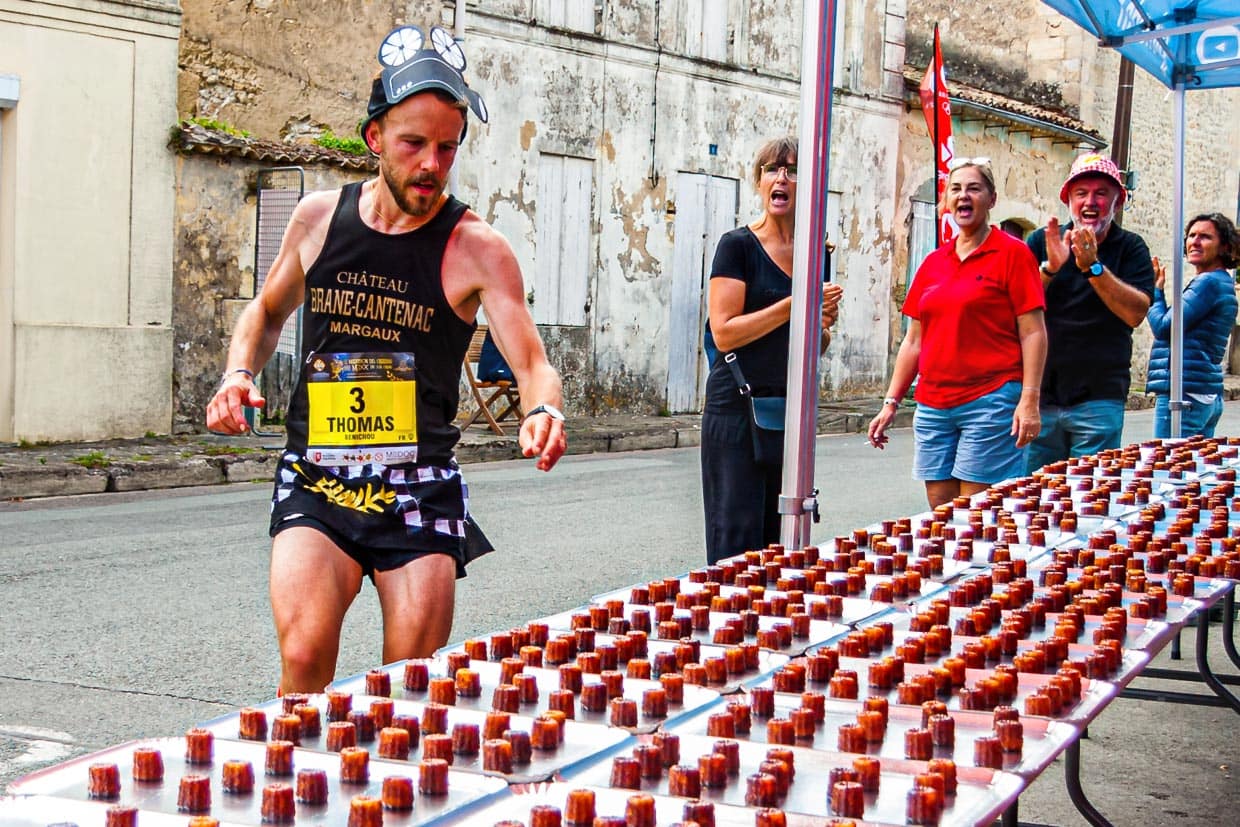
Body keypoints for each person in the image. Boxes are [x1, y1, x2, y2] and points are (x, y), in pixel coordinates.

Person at [205, 25, 567, 694]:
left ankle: (388, 795)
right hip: (319, 477)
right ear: (375, 139)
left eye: (448, 147)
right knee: (306, 655)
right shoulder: (318, 220)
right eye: (413, 143)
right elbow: (264, 312)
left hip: (419, 486)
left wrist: (544, 407)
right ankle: (298, 787)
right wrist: (237, 373)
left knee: (406, 688)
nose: (432, 164)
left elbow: (533, 361)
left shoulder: (478, 248)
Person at [867, 158, 1046, 508]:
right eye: (956, 189)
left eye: (974, 188)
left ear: (992, 199)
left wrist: (1029, 399)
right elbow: (914, 340)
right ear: (946, 201)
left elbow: (1033, 332)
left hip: (990, 399)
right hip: (934, 404)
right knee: (941, 515)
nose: (964, 196)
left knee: (976, 514)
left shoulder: (1013, 254)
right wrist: (890, 403)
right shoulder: (935, 262)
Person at [700, 136, 844, 564]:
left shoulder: (816, 251)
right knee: (736, 540)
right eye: (772, 169)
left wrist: (821, 325)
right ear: (759, 182)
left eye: (793, 170)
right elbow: (723, 332)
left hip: (788, 410)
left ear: (810, 186)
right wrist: (795, 305)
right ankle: (728, 628)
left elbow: (813, 345)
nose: (781, 177)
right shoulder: (737, 246)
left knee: (781, 537)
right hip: (736, 409)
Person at [1025, 153, 1155, 470]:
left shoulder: (1131, 247)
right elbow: (1018, 309)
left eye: (1101, 193)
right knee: (1032, 501)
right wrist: (1050, 269)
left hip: (1100, 397)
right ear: (1068, 199)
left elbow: (1135, 314)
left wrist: (1093, 268)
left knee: (1090, 500)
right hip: (1039, 397)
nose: (1090, 202)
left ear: (1118, 201)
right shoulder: (1041, 241)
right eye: (1081, 193)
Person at [1146, 213, 1240, 438]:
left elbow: (1164, 327)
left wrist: (1154, 292)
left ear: (1224, 247)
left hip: (1184, 394)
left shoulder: (1207, 283)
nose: (1194, 242)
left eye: (1205, 237)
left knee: (1168, 468)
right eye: (1191, 235)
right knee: (1193, 470)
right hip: (1204, 394)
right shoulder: (1222, 282)